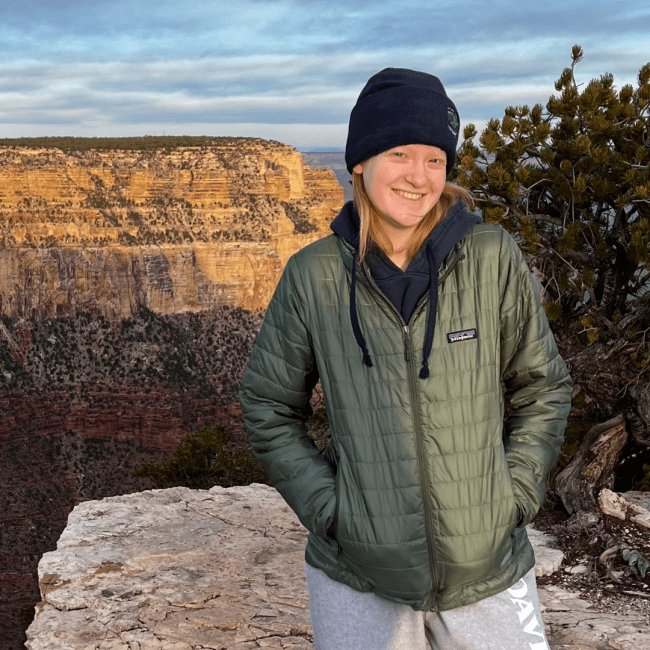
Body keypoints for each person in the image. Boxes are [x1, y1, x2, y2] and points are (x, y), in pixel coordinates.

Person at [239, 68, 572, 650]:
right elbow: (268, 406)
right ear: (360, 163)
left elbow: (542, 388)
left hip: (487, 573)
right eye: (400, 153)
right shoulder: (314, 277)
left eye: (435, 159)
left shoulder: (490, 257)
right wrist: (334, 513)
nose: (419, 177)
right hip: (359, 580)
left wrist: (511, 497)